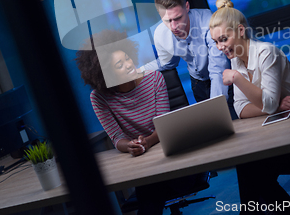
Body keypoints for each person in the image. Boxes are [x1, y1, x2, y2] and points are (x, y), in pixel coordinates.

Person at [209, 0, 290, 214]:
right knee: (249, 165)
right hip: (282, 131)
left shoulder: (266, 53)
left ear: (240, 31)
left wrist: (238, 79)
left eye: (223, 39)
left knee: (253, 168)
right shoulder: (237, 58)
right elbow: (241, 109)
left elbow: (265, 103)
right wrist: (274, 106)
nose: (220, 47)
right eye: (216, 42)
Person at [75, 29, 201, 215]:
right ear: (107, 73)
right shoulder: (99, 98)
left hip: (171, 158)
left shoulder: (154, 78)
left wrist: (148, 142)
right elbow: (117, 138)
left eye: (127, 58)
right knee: (149, 186)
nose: (128, 65)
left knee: (149, 191)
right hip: (142, 165)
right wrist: (130, 146)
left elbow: (163, 124)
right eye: (119, 64)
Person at [141, 0, 237, 118]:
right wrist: (138, 71)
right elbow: (168, 63)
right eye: (168, 20)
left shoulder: (209, 22)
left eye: (178, 18)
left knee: (236, 122)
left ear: (187, 7)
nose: (174, 26)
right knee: (215, 129)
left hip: (223, 78)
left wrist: (217, 109)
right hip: (198, 84)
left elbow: (217, 68)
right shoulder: (160, 34)